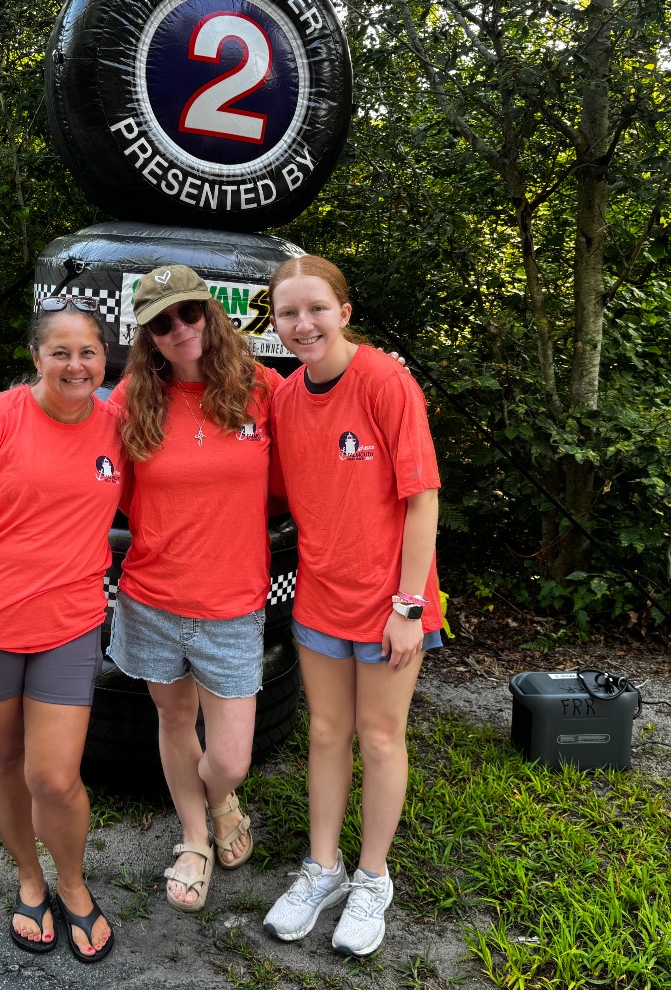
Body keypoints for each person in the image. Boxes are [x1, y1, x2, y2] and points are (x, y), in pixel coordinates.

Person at [0, 295, 120, 963]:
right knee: (3, 761)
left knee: (55, 777)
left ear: (105, 358)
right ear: (35, 357)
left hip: (68, 626)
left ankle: (72, 884)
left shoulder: (117, 423)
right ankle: (29, 879)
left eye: (87, 352)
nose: (74, 365)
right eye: (59, 352)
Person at [262, 255, 442, 957]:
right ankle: (324, 869)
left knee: (379, 737)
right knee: (327, 734)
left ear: (344, 312)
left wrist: (408, 606)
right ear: (273, 323)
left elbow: (422, 497)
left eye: (315, 308)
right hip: (319, 598)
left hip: (391, 601)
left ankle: (373, 878)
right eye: (288, 312)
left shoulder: (385, 380)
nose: (302, 323)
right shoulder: (281, 396)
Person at [107, 264, 282, 913]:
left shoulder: (258, 389)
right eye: (161, 322)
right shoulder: (130, 402)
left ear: (210, 314)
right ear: (148, 335)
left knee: (230, 757)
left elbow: (307, 475)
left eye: (190, 313)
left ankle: (222, 795)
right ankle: (194, 839)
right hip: (152, 599)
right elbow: (97, 491)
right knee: (174, 719)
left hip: (233, 605)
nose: (179, 329)